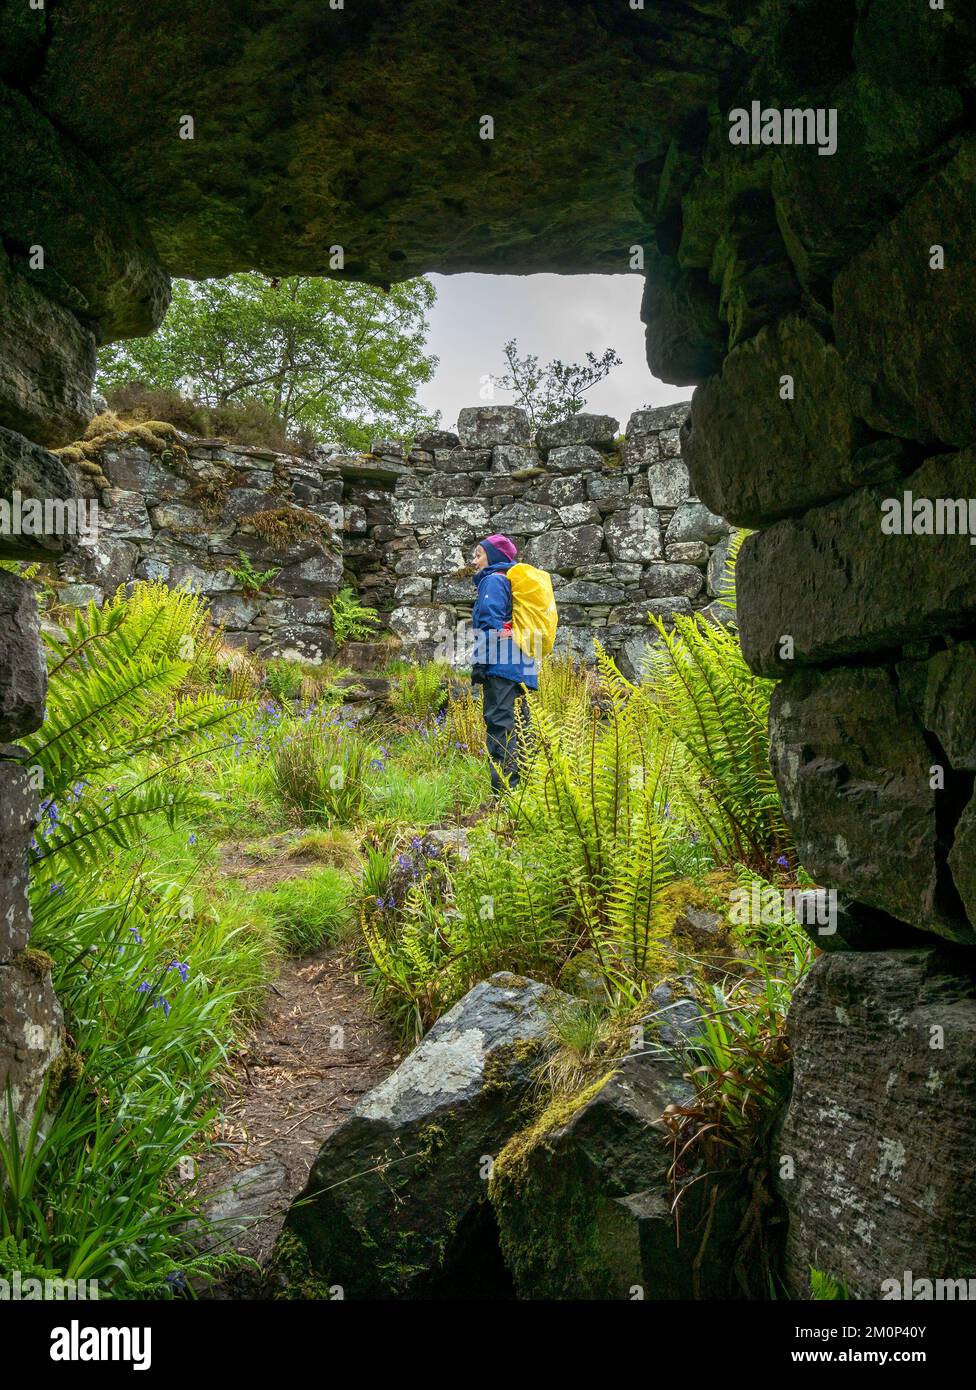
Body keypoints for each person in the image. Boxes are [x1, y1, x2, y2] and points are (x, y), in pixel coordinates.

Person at [469, 534, 538, 793]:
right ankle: (525, 793)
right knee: (521, 729)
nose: (474, 561)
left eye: (478, 554)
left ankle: (505, 797)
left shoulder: (494, 581)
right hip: (523, 667)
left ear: (493, 557)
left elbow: (490, 624)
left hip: (501, 666)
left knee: (501, 727)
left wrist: (482, 664)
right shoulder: (512, 583)